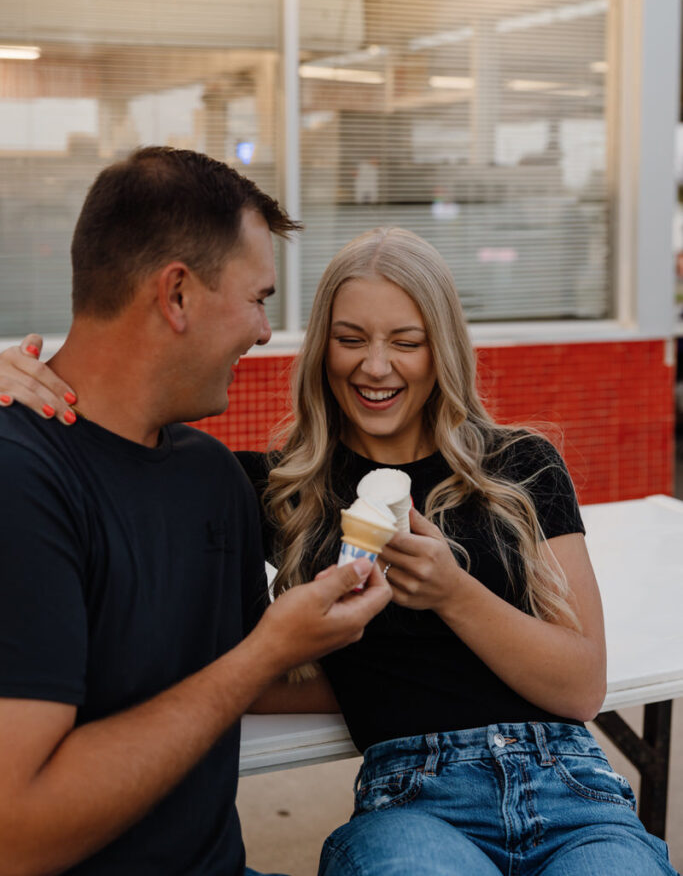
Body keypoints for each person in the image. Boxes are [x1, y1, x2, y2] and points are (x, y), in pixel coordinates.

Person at [2, 227, 678, 876]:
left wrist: (451, 592)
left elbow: (581, 685)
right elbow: (248, 664)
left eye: (405, 342)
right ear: (322, 346)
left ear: (441, 348)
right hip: (414, 802)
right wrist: (8, 380)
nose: (374, 366)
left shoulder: (520, 465)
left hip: (570, 790)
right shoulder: (271, 487)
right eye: (349, 338)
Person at [0, 147, 391, 876]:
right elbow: (13, 833)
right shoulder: (21, 481)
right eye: (258, 298)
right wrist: (268, 649)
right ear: (176, 295)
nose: (264, 331)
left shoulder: (209, 475)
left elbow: (236, 676)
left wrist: (449, 668)